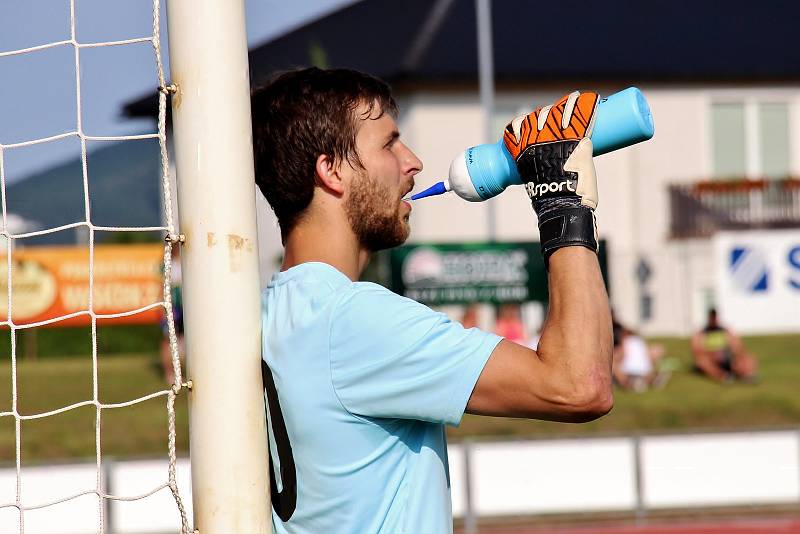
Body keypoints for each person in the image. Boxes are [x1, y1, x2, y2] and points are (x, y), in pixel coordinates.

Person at [252, 67, 613, 533]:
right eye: (388, 144)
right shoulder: (354, 319)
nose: (413, 161)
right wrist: (563, 205)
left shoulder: (267, 314)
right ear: (332, 170)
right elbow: (580, 386)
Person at [691, 308, 758, 382]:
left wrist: (732, 353)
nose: (714, 320)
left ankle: (746, 375)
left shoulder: (725, 331)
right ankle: (723, 376)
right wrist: (712, 354)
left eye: (715, 317)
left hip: (726, 356)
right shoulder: (702, 333)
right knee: (702, 361)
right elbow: (697, 350)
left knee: (747, 357)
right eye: (712, 318)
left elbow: (737, 346)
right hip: (711, 358)